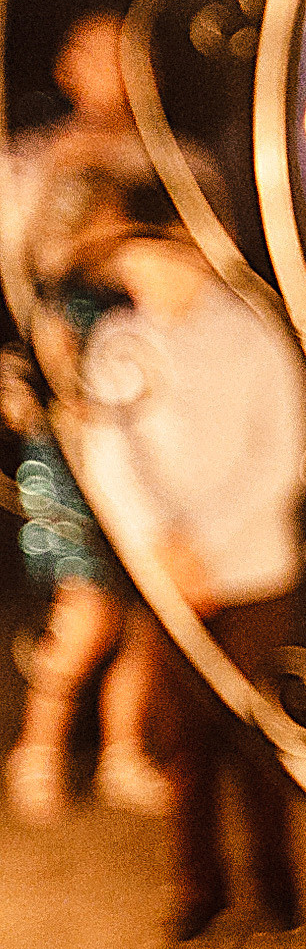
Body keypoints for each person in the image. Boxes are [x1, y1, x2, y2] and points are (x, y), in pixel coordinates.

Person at [71, 180, 306, 942]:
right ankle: (198, 892)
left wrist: (203, 543)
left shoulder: (255, 337)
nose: (140, 272)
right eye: (130, 259)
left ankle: (278, 895)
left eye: (151, 254)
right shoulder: (116, 344)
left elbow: (282, 456)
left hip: (252, 568)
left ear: (192, 254)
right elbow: (108, 456)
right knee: (184, 738)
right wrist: (161, 544)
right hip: (165, 576)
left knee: (256, 732)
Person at [3, 162, 166, 821]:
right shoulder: (60, 301)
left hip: (134, 472)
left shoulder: (125, 297)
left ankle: (124, 755)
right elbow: (62, 392)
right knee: (85, 620)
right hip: (73, 480)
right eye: (103, 220)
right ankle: (36, 756)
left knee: (144, 622)